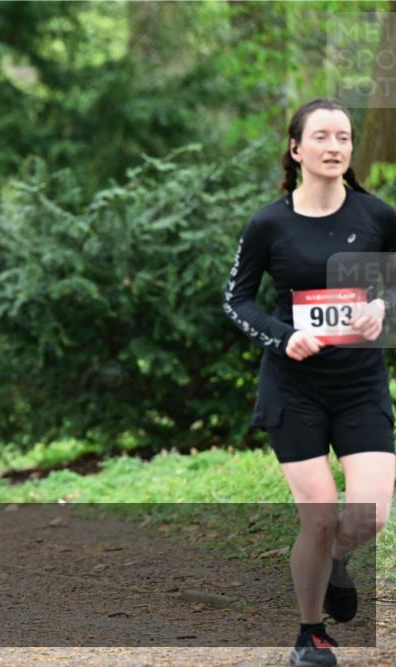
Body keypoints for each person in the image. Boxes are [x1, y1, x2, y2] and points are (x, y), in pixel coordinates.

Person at [224, 99, 395, 667]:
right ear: (296, 150)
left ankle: (336, 559)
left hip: (361, 384)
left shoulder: (376, 217)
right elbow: (237, 299)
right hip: (294, 388)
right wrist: (281, 335)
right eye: (321, 136)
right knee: (318, 516)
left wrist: (384, 306)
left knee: (368, 513)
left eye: (343, 137)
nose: (334, 146)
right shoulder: (270, 223)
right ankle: (310, 633)